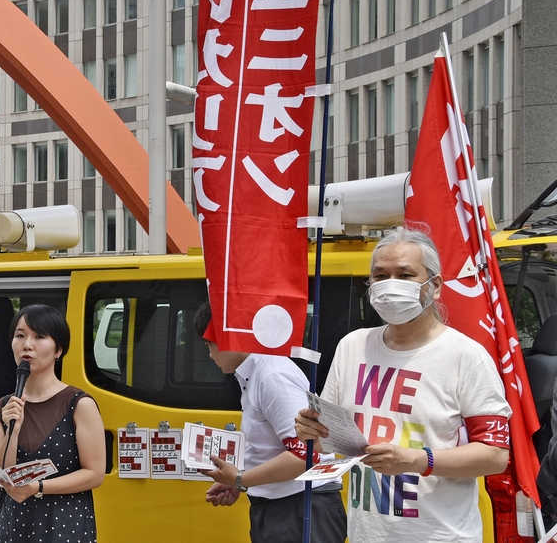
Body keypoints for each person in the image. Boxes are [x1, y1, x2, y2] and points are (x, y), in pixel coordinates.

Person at [295, 227, 511, 542]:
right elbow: (329, 441)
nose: (390, 285)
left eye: (405, 275)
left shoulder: (466, 356)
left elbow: (495, 455)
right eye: (380, 276)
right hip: (366, 534)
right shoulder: (352, 346)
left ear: (434, 286)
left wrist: (416, 460)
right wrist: (310, 430)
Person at [194, 304, 346, 543]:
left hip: (301, 508)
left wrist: (241, 478)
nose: (210, 354)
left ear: (226, 336)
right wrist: (240, 481)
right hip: (281, 507)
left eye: (208, 345)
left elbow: (306, 453)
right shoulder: (253, 375)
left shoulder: (272, 376)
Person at [0, 304, 105, 542]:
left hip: (65, 523)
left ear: (58, 349)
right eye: (20, 335)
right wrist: (14, 428)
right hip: (15, 523)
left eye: (39, 336)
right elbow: (0, 476)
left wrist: (38, 487)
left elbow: (94, 474)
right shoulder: (0, 409)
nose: (27, 345)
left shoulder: (78, 404)